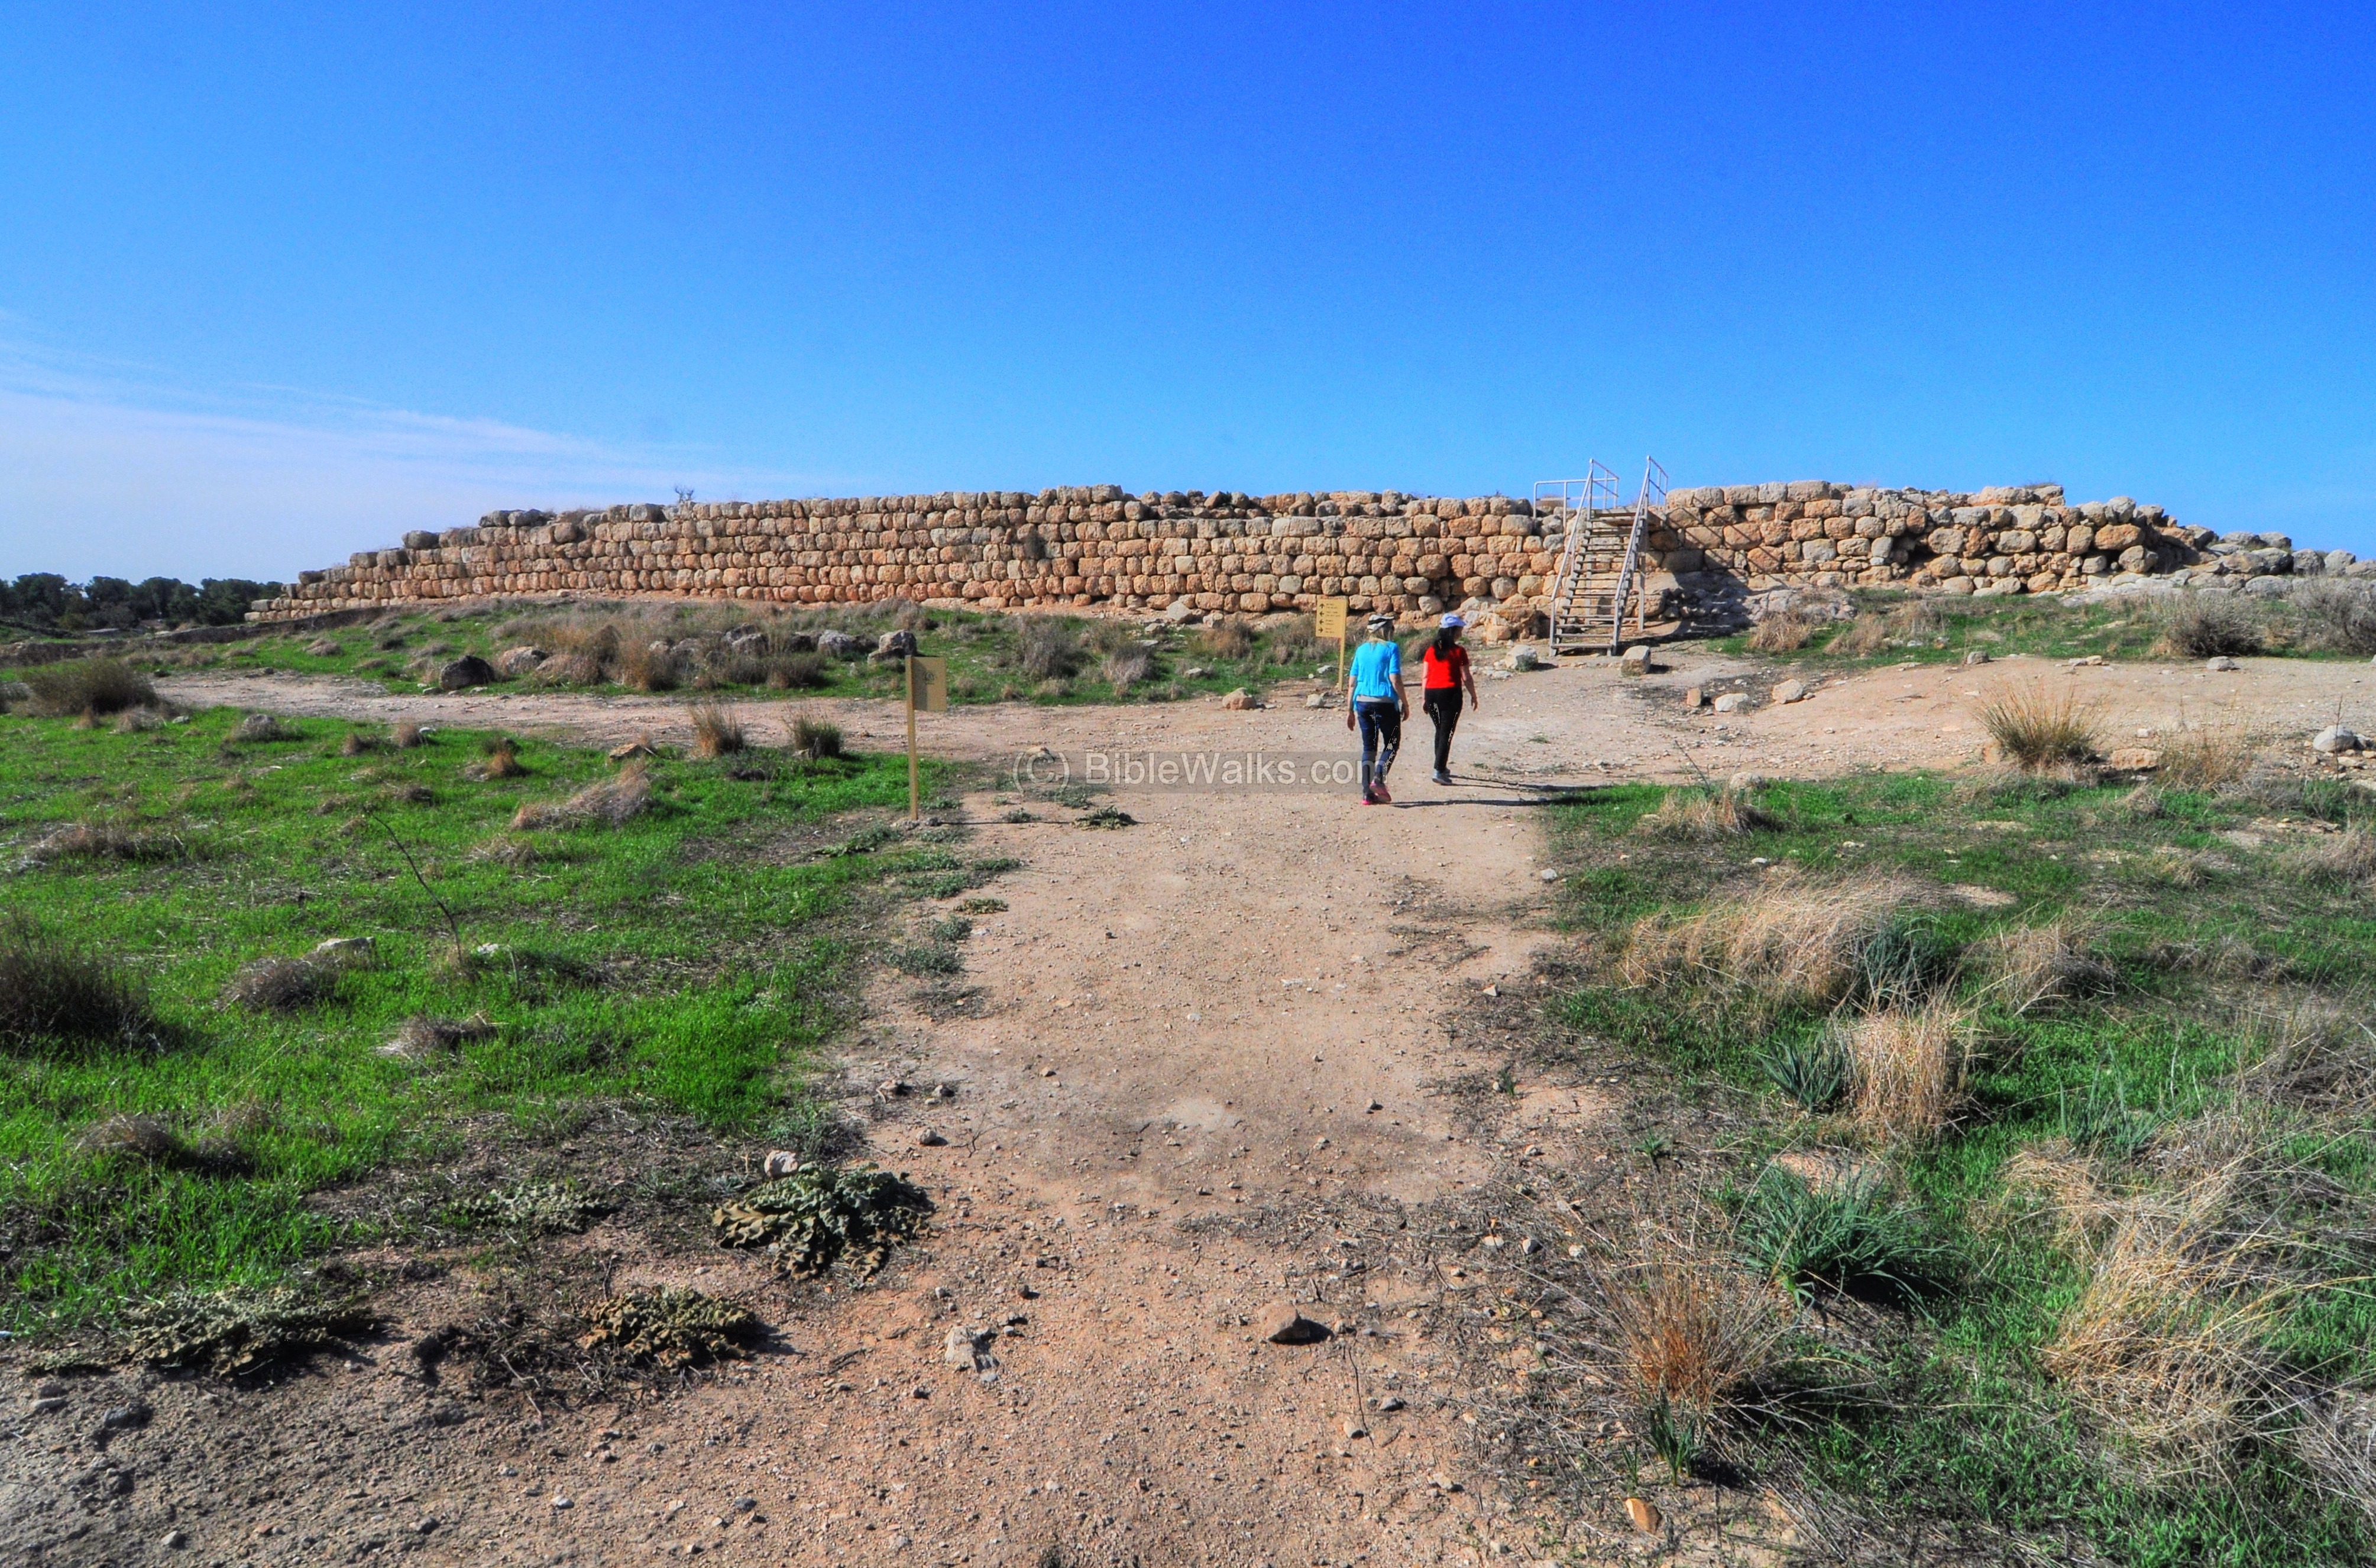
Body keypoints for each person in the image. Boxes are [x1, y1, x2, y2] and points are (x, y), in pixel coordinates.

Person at [1344, 612, 1407, 804]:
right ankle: (1379, 776)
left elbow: (1352, 682)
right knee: (1392, 743)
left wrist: (1349, 710)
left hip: (1362, 702)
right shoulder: (1391, 648)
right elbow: (1394, 678)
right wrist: (1405, 702)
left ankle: (1367, 794)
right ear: (1386, 631)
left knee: (1369, 747)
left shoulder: (1361, 650)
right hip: (1385, 702)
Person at [1420, 613, 1480, 784]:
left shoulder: (1431, 651)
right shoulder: (1459, 652)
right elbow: (1466, 677)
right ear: (1453, 631)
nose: (1461, 631)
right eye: (1460, 628)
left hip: (1432, 693)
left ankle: (1441, 765)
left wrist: (1425, 698)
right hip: (1450, 694)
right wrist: (1473, 695)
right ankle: (1438, 770)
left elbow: (1425, 676)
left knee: (1440, 730)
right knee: (1447, 732)